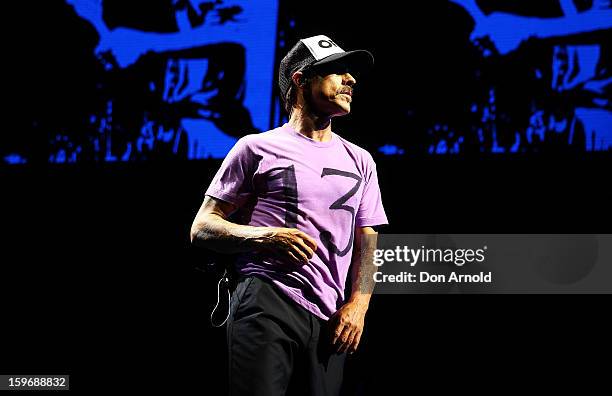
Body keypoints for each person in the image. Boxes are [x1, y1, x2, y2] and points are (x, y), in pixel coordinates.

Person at [190, 34, 388, 395]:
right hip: (266, 297)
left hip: (331, 315)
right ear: (300, 79)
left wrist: (358, 306)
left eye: (350, 73)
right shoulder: (256, 148)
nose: (351, 80)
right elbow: (202, 226)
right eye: (337, 71)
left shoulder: (360, 160)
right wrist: (264, 235)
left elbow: (368, 238)